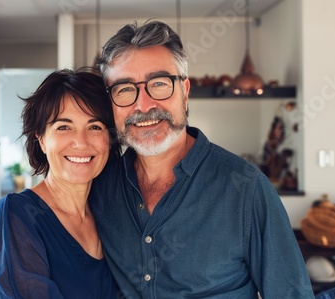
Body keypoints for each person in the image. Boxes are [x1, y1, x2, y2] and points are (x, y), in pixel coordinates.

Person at [89, 21, 314, 298]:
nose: (143, 105)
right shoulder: (100, 187)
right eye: (124, 89)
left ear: (185, 91)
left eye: (159, 84)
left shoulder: (246, 189)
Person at [0, 69, 121, 298]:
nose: (81, 142)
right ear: (41, 138)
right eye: (64, 127)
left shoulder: (112, 212)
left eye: (95, 126)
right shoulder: (18, 215)